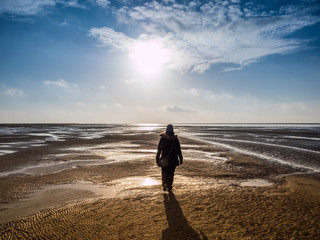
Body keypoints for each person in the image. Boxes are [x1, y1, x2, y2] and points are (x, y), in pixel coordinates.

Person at [156, 124, 183, 192]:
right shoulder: (175, 139)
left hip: (165, 158)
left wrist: (157, 157)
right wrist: (181, 158)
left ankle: (164, 183)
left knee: (164, 171)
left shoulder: (163, 138)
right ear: (172, 130)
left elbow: (159, 149)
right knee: (171, 172)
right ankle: (169, 186)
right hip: (173, 159)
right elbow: (178, 150)